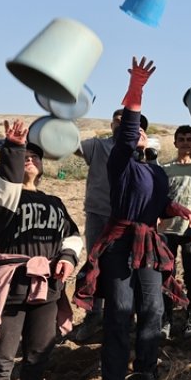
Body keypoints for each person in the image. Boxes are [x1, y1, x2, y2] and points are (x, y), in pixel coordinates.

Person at [72, 57, 191, 380]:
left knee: (154, 309)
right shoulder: (121, 162)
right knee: (120, 311)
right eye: (132, 129)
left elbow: (156, 206)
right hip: (121, 242)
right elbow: (127, 130)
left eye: (142, 129)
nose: (137, 132)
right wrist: (137, 88)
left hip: (150, 244)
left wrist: (175, 209)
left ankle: (145, 369)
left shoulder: (155, 172)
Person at [0, 120, 83, 380]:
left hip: (48, 288)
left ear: (43, 165)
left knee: (39, 351)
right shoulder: (4, 198)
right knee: (3, 354)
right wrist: (13, 148)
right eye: (25, 156)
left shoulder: (56, 202)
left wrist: (67, 257)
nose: (30, 160)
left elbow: (73, 235)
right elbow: (6, 178)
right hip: (12, 287)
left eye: (35, 156)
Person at [69, 109, 130, 342]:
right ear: (111, 124)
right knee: (95, 264)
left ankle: (123, 315)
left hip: (126, 218)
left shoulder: (139, 148)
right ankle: (93, 315)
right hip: (98, 213)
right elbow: (70, 145)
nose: (120, 124)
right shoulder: (96, 145)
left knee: (126, 266)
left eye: (126, 121)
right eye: (116, 121)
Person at [159, 125, 191, 336]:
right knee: (167, 275)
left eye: (189, 139)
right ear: (175, 143)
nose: (185, 143)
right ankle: (165, 320)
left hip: (190, 231)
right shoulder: (165, 169)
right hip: (167, 230)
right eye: (181, 139)